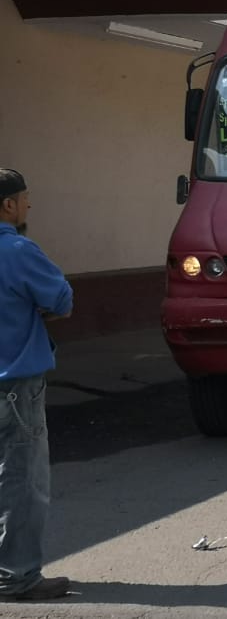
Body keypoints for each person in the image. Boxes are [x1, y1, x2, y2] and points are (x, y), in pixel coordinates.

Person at [0, 168, 74, 602]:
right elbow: (60, 299)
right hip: (13, 385)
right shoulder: (17, 250)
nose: (28, 205)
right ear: (8, 204)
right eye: (25, 198)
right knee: (21, 483)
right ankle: (17, 576)